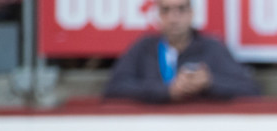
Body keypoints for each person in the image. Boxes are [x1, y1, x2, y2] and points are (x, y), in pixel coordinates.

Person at [103, 0, 260, 104]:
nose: (173, 18)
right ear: (158, 15)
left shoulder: (212, 48)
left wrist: (209, 83)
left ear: (191, 13)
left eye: (181, 9)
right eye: (166, 10)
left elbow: (250, 90)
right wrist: (166, 91)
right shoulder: (143, 48)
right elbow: (114, 88)